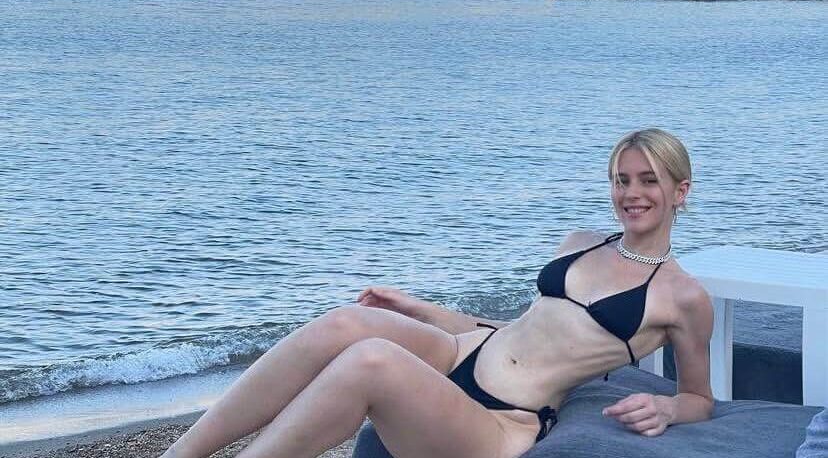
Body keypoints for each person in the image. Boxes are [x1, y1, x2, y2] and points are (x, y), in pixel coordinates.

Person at [161, 128, 713, 458]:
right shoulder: (581, 242)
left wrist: (667, 408)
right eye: (622, 179)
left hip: (504, 416)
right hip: (460, 353)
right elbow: (527, 330)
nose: (632, 193)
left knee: (371, 360)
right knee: (345, 323)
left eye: (649, 180)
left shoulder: (682, 297)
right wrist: (422, 310)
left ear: (680, 191)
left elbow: (699, 398)